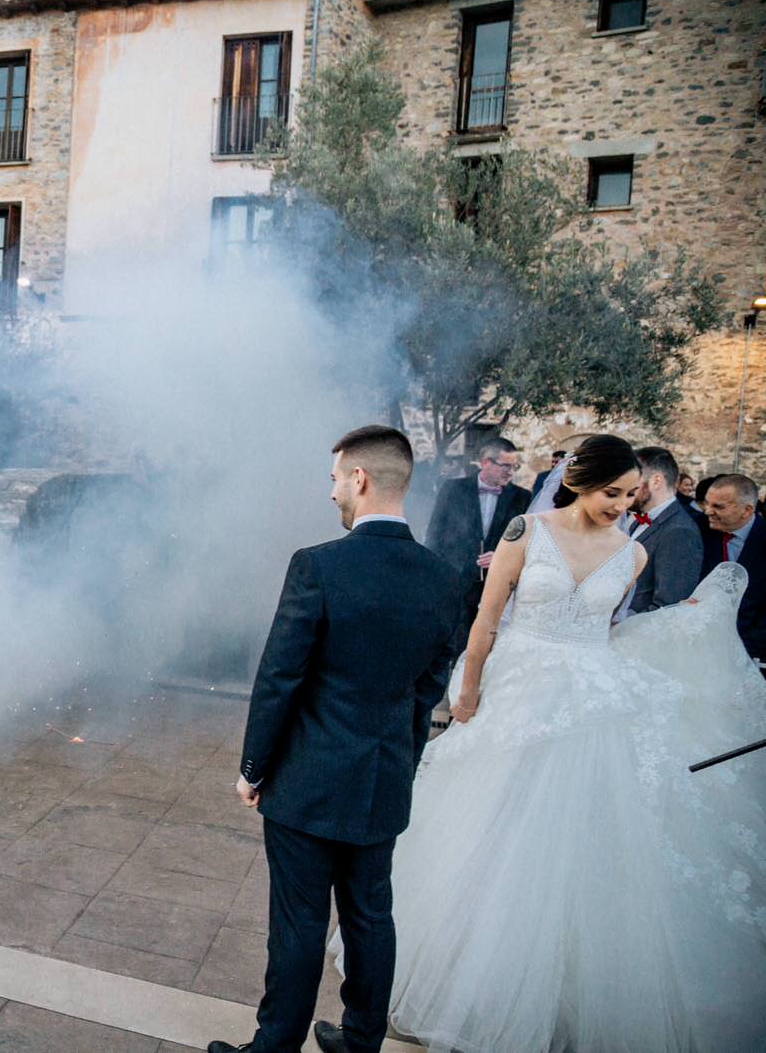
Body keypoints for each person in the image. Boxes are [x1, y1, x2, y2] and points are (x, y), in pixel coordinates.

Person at [357, 435, 766, 1053]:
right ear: (579, 481)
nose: (621, 506)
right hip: (517, 690)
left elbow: (606, 629)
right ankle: (464, 969)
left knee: (576, 835)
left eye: (631, 496)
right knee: (489, 821)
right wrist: (466, 691)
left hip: (588, 705)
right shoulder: (527, 530)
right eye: (611, 493)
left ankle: (562, 990)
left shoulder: (632, 554)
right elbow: (487, 618)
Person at [207, 426, 462, 1053]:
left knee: (297, 923)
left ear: (361, 479)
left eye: (334, 479)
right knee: (371, 917)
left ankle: (274, 1048)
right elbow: (428, 687)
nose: (331, 494)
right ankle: (359, 1042)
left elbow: (279, 679)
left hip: (308, 782)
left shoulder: (318, 565)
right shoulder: (445, 579)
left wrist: (252, 768)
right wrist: (399, 759)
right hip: (382, 780)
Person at [425, 437, 531, 647]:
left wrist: (501, 556)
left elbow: (527, 543)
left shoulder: (523, 497)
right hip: (456, 581)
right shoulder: (452, 488)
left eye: (514, 466)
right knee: (452, 642)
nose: (510, 472)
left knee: (487, 643)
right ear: (485, 462)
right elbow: (435, 532)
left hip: (496, 585)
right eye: (505, 466)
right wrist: (435, 576)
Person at [619, 446, 703, 616]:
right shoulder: (637, 518)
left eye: (633, 484)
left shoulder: (680, 532)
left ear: (656, 481)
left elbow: (670, 607)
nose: (626, 491)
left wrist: (620, 624)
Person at [702, 473, 766, 663]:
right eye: (707, 503)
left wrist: (742, 648)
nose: (707, 511)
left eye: (718, 507)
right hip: (701, 647)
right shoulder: (697, 530)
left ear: (746, 510)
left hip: (751, 652)